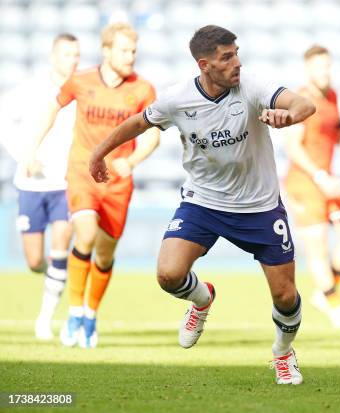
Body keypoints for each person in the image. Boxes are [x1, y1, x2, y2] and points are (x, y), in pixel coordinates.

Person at [89, 25, 315, 385]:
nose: (236, 62)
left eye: (237, 53)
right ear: (205, 64)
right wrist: (99, 152)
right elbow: (137, 123)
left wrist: (290, 116)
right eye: (227, 57)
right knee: (168, 275)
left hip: (259, 206)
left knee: (286, 296)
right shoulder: (177, 99)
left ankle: (283, 353)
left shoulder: (252, 85)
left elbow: (305, 103)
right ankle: (202, 298)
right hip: (204, 203)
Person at [27, 22, 160, 348]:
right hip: (83, 173)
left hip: (117, 183)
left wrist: (131, 161)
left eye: (133, 51)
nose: (130, 56)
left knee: (104, 253)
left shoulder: (142, 89)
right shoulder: (82, 80)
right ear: (107, 51)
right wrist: (33, 150)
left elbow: (154, 135)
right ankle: (74, 312)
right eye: (124, 50)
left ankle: (90, 313)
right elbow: (52, 108)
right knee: (84, 233)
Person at [0, 33, 80, 340]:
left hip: (65, 183)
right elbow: (4, 120)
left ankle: (44, 319)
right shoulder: (31, 89)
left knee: (62, 239)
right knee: (35, 261)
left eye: (76, 55)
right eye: (66, 55)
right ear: (53, 56)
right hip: (31, 183)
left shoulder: (81, 90)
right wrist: (24, 155)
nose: (72, 61)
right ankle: (55, 273)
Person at [284, 45, 340, 328]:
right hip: (305, 183)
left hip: (327, 181)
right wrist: (320, 176)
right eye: (319, 67)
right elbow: (292, 147)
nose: (325, 72)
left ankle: (325, 292)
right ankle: (336, 310)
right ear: (308, 69)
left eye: (327, 66)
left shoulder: (332, 96)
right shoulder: (301, 99)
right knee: (317, 247)